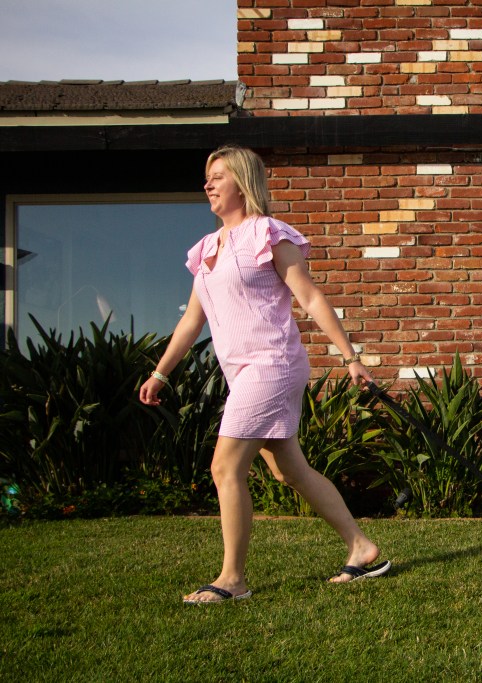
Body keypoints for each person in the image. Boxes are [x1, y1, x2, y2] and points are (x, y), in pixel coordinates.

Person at [139, 145, 390, 604]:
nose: (207, 184)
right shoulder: (208, 250)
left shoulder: (268, 234)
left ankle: (232, 580)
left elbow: (310, 297)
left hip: (272, 365)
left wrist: (350, 357)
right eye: (206, 177)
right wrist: (161, 372)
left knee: (224, 466)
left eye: (217, 176)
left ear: (242, 181)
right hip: (244, 372)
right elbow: (192, 321)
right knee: (288, 470)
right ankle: (361, 546)